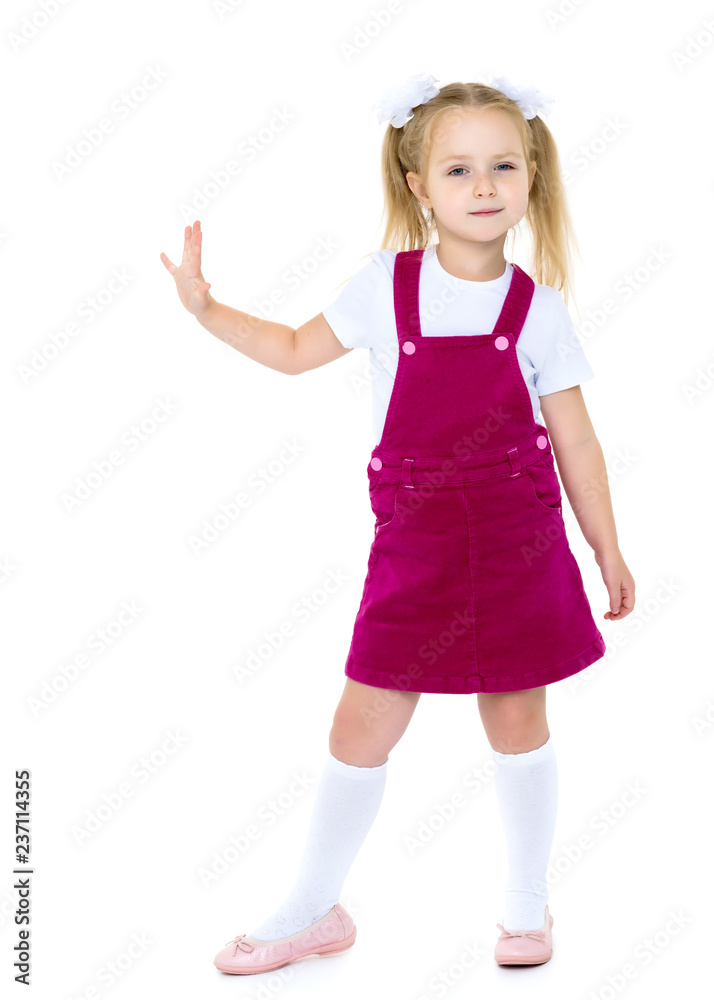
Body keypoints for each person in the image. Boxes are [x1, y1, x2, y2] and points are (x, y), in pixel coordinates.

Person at [160, 72, 635, 975]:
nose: (484, 186)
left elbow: (577, 441)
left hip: (516, 544)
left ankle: (528, 909)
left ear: (532, 174)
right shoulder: (386, 285)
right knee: (362, 724)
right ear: (419, 186)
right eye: (459, 171)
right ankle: (313, 908)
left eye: (503, 165)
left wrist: (606, 547)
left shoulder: (537, 308)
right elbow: (297, 351)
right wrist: (208, 310)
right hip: (414, 549)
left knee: (516, 715)